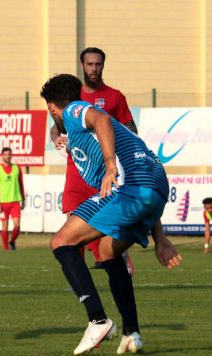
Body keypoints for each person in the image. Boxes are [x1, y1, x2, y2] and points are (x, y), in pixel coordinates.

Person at [40, 74, 182, 356]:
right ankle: (132, 333)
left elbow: (101, 121)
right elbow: (142, 174)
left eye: (49, 109)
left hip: (131, 187)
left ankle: (98, 320)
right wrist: (160, 237)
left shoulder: (73, 111)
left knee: (61, 242)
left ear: (53, 107)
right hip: (155, 187)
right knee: (106, 252)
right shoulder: (87, 134)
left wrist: (109, 167)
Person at [51, 47, 137, 272]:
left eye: (98, 64)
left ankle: (118, 258)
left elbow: (130, 129)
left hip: (101, 172)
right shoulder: (72, 96)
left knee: (106, 226)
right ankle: (79, 280)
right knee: (72, 227)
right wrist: (56, 139)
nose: (94, 68)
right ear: (82, 66)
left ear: (103, 65)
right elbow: (56, 127)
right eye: (90, 64)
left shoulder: (115, 97)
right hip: (75, 171)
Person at [0, 147, 25, 250]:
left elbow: (21, 184)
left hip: (15, 201)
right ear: (2, 156)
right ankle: (6, 249)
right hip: (3, 202)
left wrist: (23, 199)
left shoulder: (17, 168)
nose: (8, 156)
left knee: (17, 226)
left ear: (11, 155)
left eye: (9, 154)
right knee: (4, 226)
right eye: (5, 154)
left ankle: (12, 241)